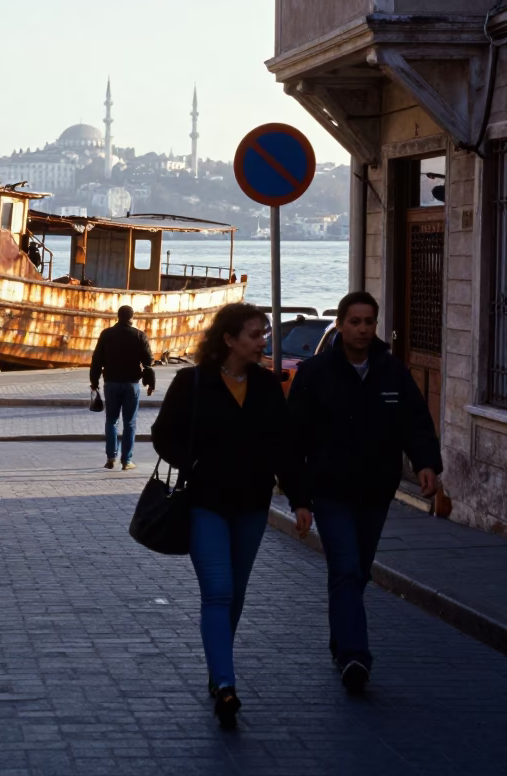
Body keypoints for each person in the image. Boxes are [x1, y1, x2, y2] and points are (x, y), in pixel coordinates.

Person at [152, 302, 303, 727]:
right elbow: (163, 435)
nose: (263, 343)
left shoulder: (267, 387)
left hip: (252, 506)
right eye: (255, 335)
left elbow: (284, 447)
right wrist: (194, 464)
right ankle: (225, 682)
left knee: (234, 593)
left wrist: (300, 498)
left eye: (264, 335)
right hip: (206, 504)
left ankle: (218, 666)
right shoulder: (192, 382)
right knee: (217, 592)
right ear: (229, 339)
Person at [287, 291, 441, 694]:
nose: (362, 329)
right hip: (330, 491)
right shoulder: (315, 373)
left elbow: (416, 422)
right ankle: (356, 655)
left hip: (375, 490)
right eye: (354, 321)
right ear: (339, 324)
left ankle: (342, 641)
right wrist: (300, 498)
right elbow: (294, 440)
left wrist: (426, 464)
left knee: (359, 571)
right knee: (345, 567)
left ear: (375, 325)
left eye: (368, 321)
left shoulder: (392, 372)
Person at [90, 306, 155, 470]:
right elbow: (148, 361)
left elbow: (97, 359)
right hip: (131, 384)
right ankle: (127, 461)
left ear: (118, 317)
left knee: (111, 421)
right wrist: (149, 383)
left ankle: (111, 457)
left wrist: (94, 381)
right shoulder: (139, 335)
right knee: (130, 423)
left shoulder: (106, 334)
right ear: (132, 317)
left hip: (111, 383)